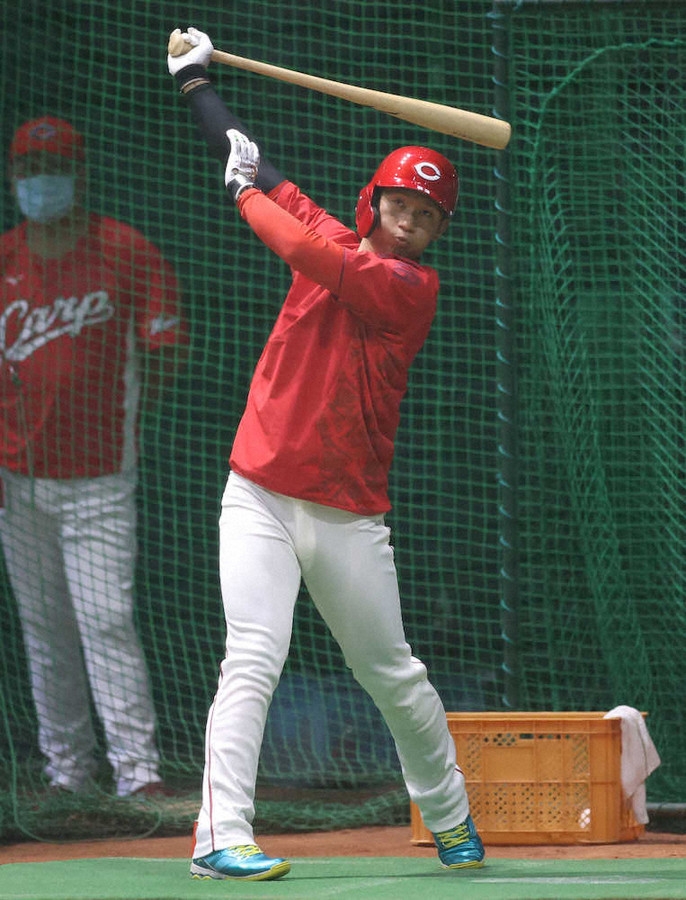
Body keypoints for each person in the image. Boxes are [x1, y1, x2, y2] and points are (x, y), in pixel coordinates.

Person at [167, 27, 485, 882]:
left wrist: (244, 196)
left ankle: (450, 816)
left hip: (347, 514)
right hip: (260, 494)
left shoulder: (409, 287)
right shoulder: (335, 233)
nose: (410, 223)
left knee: (392, 674)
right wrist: (196, 82)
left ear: (436, 233)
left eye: (427, 217)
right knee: (251, 657)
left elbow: (295, 240)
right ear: (372, 200)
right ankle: (218, 837)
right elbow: (258, 166)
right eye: (400, 205)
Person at [0, 115, 189, 798]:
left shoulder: (122, 249)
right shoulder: (5, 257)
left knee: (106, 621)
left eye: (53, 168)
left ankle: (138, 774)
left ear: (79, 175)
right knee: (44, 631)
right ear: (12, 176)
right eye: (29, 168)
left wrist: (124, 419)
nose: (40, 180)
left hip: (101, 479)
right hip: (16, 481)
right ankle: (69, 774)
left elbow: (165, 351)